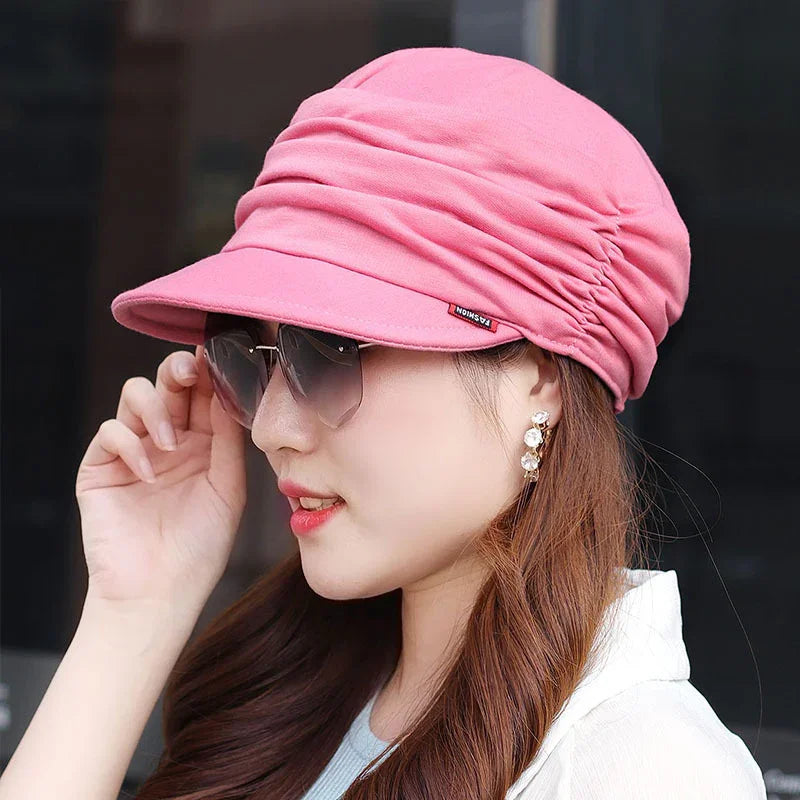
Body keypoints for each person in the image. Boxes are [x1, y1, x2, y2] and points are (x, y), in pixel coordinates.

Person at [0, 46, 767, 799]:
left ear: (539, 378)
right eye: (251, 357)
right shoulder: (285, 698)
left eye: (329, 350)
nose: (269, 427)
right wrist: (133, 610)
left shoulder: (641, 768)